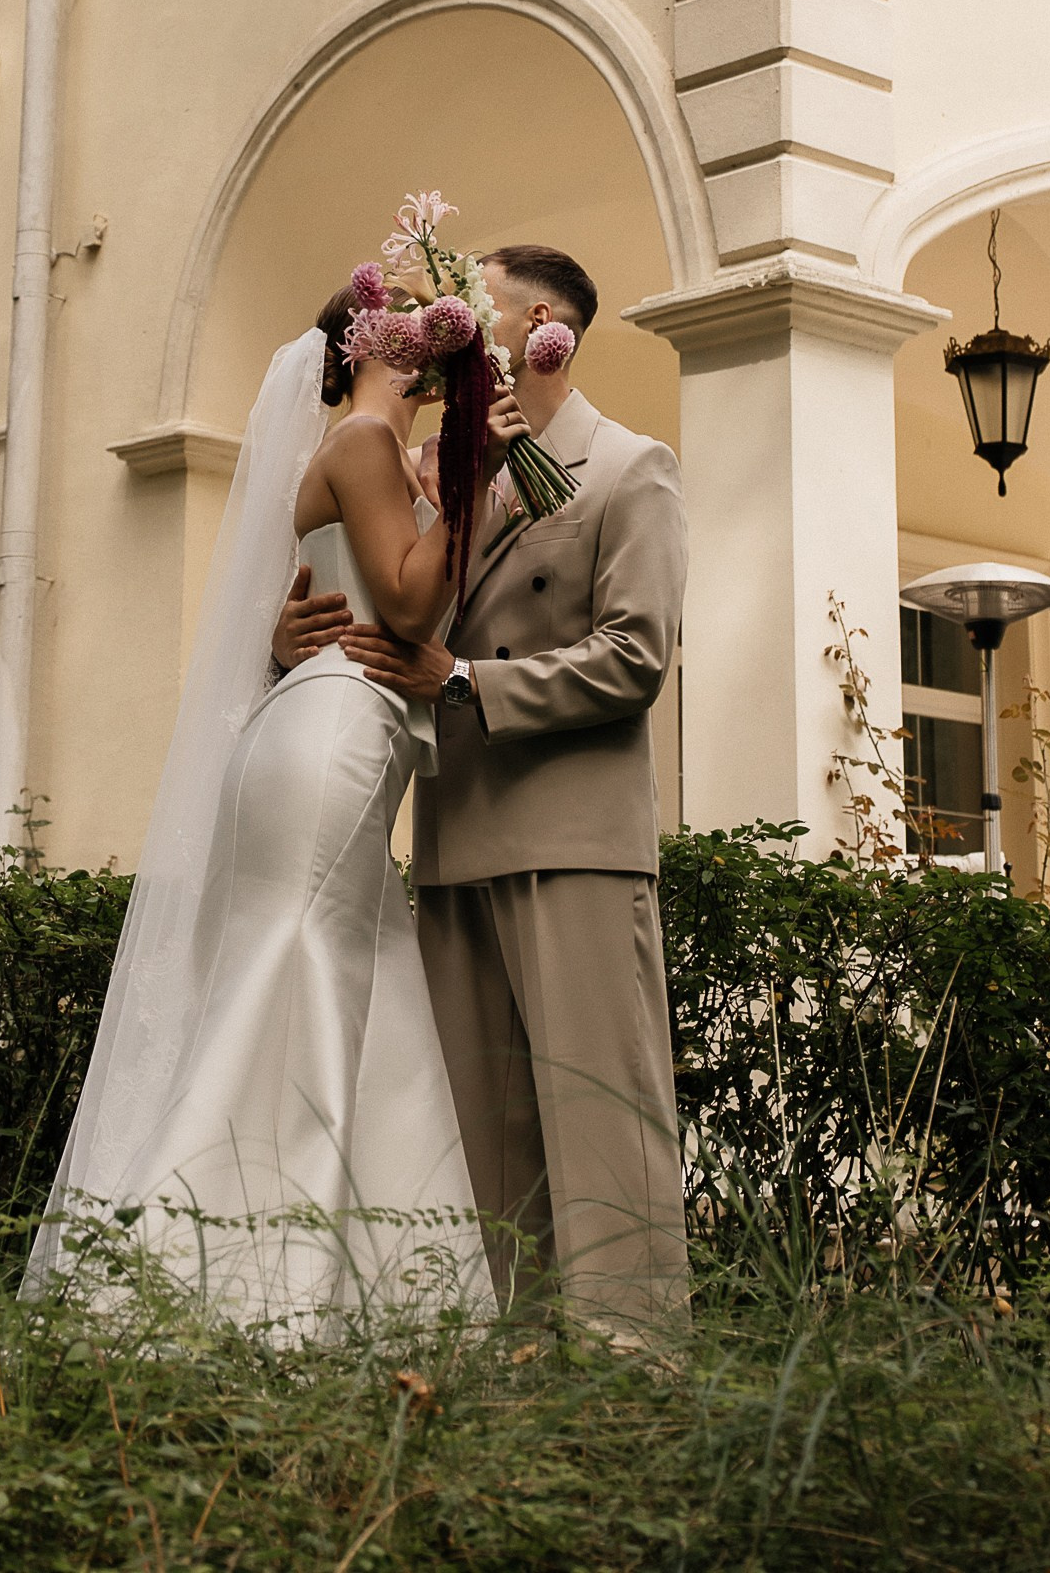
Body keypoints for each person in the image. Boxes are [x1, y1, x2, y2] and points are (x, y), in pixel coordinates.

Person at [25, 287, 523, 1331]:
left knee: (343, 982)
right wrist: (477, 473)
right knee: (295, 977)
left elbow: (343, 592)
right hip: (333, 733)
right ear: (370, 347)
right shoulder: (363, 442)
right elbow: (406, 601)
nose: (430, 345)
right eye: (410, 323)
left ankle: (353, 1296)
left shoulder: (382, 458)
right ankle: (214, 1288)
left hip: (324, 730)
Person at [274, 243, 689, 1330]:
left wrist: (462, 682)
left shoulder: (629, 467)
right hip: (454, 838)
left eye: (472, 303)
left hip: (572, 842)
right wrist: (291, 635)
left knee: (603, 1124)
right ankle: (513, 1370)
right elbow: (380, 606)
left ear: (542, 327)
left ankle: (631, 1367)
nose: (443, 325)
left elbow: (635, 659)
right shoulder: (441, 476)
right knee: (477, 1142)